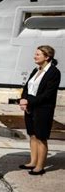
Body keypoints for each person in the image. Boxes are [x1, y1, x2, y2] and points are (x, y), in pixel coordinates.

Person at [19, 45, 61, 176]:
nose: (34, 56)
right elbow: (27, 87)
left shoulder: (53, 72)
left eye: (38, 54)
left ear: (47, 57)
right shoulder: (36, 70)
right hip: (30, 107)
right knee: (32, 134)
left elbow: (48, 94)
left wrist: (29, 101)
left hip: (43, 109)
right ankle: (33, 161)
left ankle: (40, 166)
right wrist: (23, 99)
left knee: (41, 137)